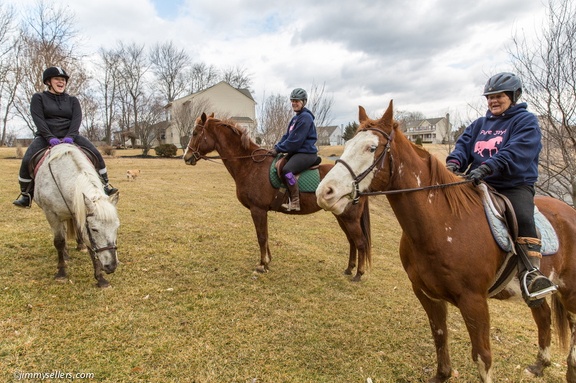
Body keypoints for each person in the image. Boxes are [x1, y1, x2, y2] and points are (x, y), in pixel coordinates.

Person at [445, 72, 557, 308]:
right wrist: (454, 163)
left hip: (513, 185)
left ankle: (531, 275)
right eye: (489, 97)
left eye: (499, 96)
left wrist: (487, 167)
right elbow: (464, 145)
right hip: (479, 182)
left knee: (524, 218)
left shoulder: (526, 122)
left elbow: (516, 151)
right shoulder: (479, 124)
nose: (493, 101)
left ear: (513, 96)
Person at [13, 66, 118, 208]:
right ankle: (26, 195)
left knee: (96, 154)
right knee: (26, 160)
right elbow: (39, 120)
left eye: (63, 80)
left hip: (71, 136)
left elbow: (77, 119)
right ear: (48, 81)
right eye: (57, 79)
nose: (61, 82)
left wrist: (71, 136)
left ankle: (105, 185)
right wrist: (49, 137)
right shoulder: (39, 98)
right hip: (46, 136)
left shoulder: (72, 100)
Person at [269, 88, 318, 211]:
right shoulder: (296, 118)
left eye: (297, 101)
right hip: (297, 152)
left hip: (306, 153)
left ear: (303, 102)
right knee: (278, 164)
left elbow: (295, 142)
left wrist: (279, 149)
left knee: (287, 170)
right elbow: (287, 136)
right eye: (292, 101)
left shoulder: (306, 118)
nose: (294, 103)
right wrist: (276, 147)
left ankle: (295, 201)